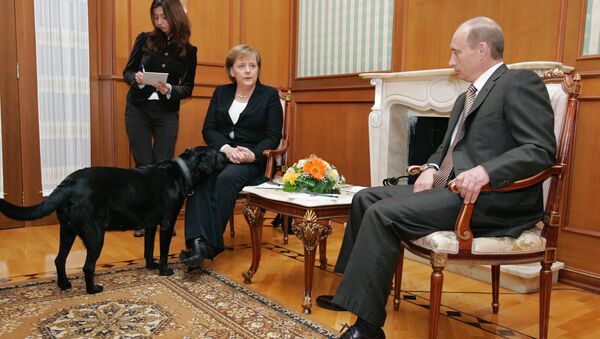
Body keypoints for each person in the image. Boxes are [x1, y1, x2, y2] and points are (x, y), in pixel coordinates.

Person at [323, 17, 557, 339]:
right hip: (451, 189)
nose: (451, 61)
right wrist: (432, 168)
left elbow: (541, 150)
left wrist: (487, 171)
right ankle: (350, 293)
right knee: (365, 197)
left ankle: (367, 328)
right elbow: (446, 148)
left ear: (482, 50)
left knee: (383, 215)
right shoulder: (465, 97)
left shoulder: (518, 83)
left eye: (456, 53)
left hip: (489, 199)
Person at [180, 44, 283, 268]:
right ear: (231, 71)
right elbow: (209, 129)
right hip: (222, 154)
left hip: (251, 160)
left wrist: (251, 154)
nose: (248, 71)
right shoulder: (221, 92)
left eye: (252, 66)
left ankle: (209, 244)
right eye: (242, 66)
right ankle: (197, 242)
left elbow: (273, 136)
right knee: (200, 178)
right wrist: (226, 148)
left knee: (226, 178)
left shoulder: (269, 96)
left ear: (258, 69)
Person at [122, 0, 197, 237]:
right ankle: (144, 219)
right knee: (143, 164)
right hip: (138, 109)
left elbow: (188, 88)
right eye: (156, 17)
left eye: (164, 17)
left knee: (163, 166)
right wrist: (138, 79)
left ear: (175, 17)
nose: (159, 22)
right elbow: (128, 71)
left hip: (166, 113)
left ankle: (164, 219)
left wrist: (170, 90)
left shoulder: (189, 50)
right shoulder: (144, 39)